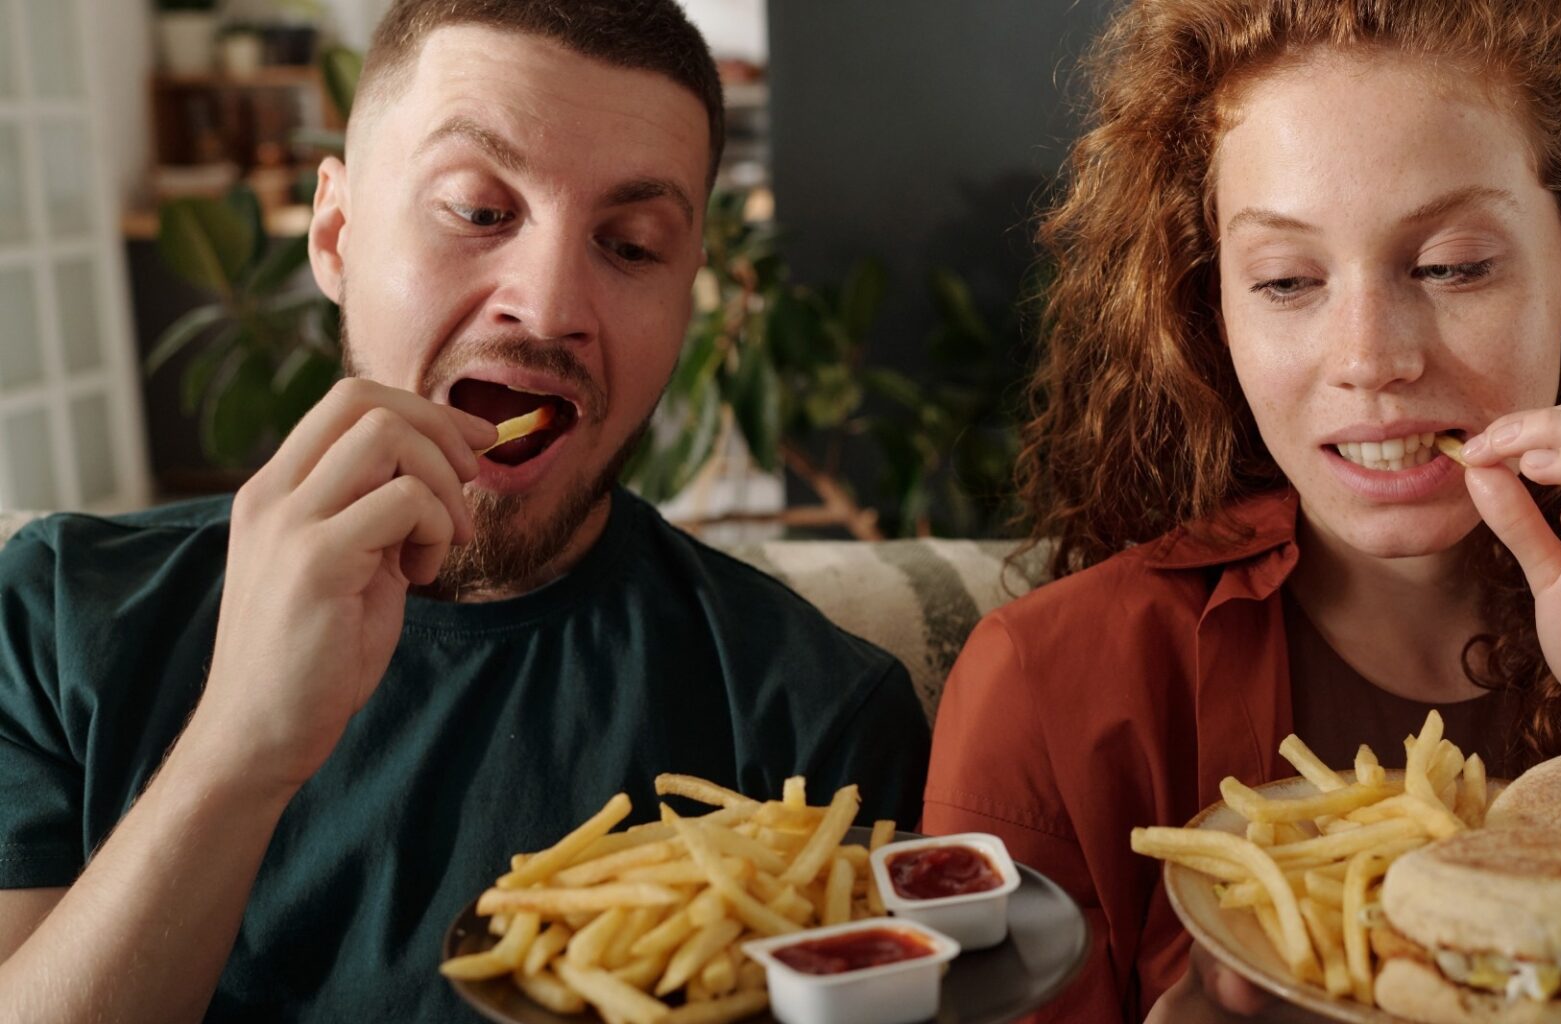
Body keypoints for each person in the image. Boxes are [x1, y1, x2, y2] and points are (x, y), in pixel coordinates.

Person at [921, 1, 1561, 1021]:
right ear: (1208, 298)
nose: (1371, 360)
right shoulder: (1045, 690)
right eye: (1285, 279)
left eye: (1450, 266)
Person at [0, 2, 929, 1019]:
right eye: (479, 211)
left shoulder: (817, 727)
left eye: (628, 244)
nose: (549, 302)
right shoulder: (51, 621)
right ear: (336, 233)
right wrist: (236, 747)